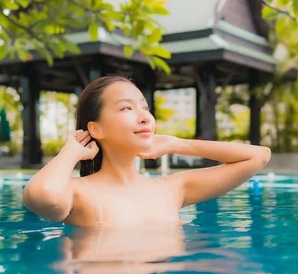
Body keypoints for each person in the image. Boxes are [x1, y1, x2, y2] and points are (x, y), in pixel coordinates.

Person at [23, 75, 271, 227]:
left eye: (145, 108)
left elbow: (259, 156)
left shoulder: (171, 189)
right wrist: (72, 150)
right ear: (95, 129)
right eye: (127, 109)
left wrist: (177, 144)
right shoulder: (79, 192)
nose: (144, 118)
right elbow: (42, 197)